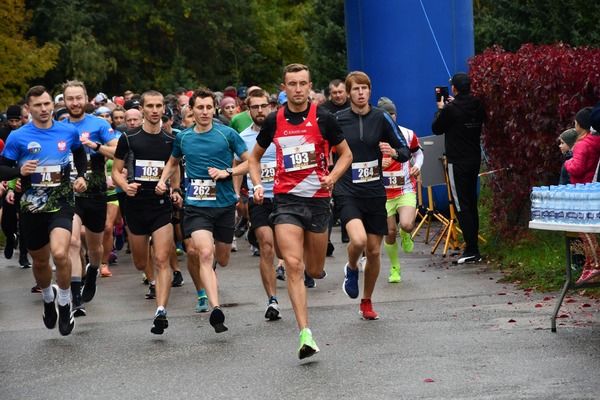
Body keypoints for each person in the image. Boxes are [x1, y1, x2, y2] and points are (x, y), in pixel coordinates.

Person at [249, 63, 353, 359]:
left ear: (310, 87)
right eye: (291, 84)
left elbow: (346, 154)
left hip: (318, 201)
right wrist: (257, 184)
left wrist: (332, 176)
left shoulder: (324, 118)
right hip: (286, 201)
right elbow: (254, 159)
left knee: (315, 269)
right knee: (293, 266)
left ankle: (325, 270)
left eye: (302, 84)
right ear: (283, 88)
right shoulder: (274, 120)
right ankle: (305, 333)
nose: (297, 89)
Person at [157, 87, 248, 334]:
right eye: (200, 107)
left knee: (222, 258)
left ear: (214, 109)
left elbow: (250, 161)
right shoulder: (183, 137)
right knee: (203, 253)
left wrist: (227, 172)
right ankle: (216, 308)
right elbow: (173, 162)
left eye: (209, 107)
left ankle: (213, 278)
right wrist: (163, 180)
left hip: (225, 205)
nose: (205, 112)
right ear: (191, 110)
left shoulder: (227, 134)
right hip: (196, 206)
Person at [0, 85, 88, 336]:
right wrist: (19, 171)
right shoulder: (18, 137)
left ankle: (64, 303)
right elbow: (2, 168)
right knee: (39, 260)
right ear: (29, 108)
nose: (44, 109)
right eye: (38, 105)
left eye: (47, 104)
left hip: (61, 200)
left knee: (60, 253)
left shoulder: (68, 131)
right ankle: (48, 300)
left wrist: (81, 176)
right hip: (31, 204)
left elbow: (80, 155)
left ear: (53, 104)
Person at [334, 72, 411, 322]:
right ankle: (352, 268)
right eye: (355, 88)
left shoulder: (381, 117)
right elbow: (321, 148)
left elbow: (405, 149)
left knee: (375, 252)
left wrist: (394, 152)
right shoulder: (337, 119)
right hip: (347, 191)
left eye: (365, 88)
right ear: (348, 93)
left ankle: (366, 301)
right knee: (358, 241)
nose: (360, 92)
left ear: (369, 91)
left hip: (375, 191)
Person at [112, 90, 181, 334]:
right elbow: (116, 171)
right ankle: (150, 280)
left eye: (159, 106)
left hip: (160, 205)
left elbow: (174, 168)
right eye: (149, 106)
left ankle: (161, 311)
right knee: (141, 261)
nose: (154, 110)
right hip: (135, 206)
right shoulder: (129, 138)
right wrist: (124, 186)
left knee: (162, 259)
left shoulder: (171, 140)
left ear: (164, 109)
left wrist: (175, 190)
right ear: (142, 109)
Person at [62, 80, 118, 317]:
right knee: (73, 243)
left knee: (95, 248)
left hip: (95, 193)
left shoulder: (99, 124)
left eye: (78, 98)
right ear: (64, 101)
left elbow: (118, 150)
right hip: (69, 194)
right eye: (70, 99)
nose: (75, 103)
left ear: (86, 99)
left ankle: (93, 271)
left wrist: (95, 145)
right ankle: (76, 298)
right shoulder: (59, 127)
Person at [234, 88, 281, 320]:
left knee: (285, 248)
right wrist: (236, 195)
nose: (260, 111)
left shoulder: (282, 130)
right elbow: (236, 166)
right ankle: (272, 300)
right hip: (259, 198)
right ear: (248, 110)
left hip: (285, 197)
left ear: (271, 107)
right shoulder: (243, 137)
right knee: (266, 245)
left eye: (264, 106)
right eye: (255, 107)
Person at [432, 72, 486, 264]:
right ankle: (474, 248)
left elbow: (436, 128)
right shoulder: (477, 104)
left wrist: (440, 109)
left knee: (461, 204)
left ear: (454, 88)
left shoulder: (451, 109)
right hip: (474, 160)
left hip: (457, 161)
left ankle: (471, 249)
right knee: (471, 203)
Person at [377, 97, 423, 283]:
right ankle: (395, 268)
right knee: (388, 232)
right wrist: (380, 163)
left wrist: (417, 165)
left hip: (404, 188)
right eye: (385, 115)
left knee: (407, 225)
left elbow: (418, 153)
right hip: (383, 193)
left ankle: (405, 234)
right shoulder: (374, 136)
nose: (389, 118)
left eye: (392, 114)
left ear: (396, 115)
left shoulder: (407, 133)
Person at [564, 104, 600, 283]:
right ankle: (589, 265)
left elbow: (576, 168)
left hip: (580, 192)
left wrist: (567, 163)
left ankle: (593, 265)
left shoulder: (581, 145)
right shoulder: (596, 141)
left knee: (584, 232)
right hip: (593, 190)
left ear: (580, 125)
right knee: (589, 231)